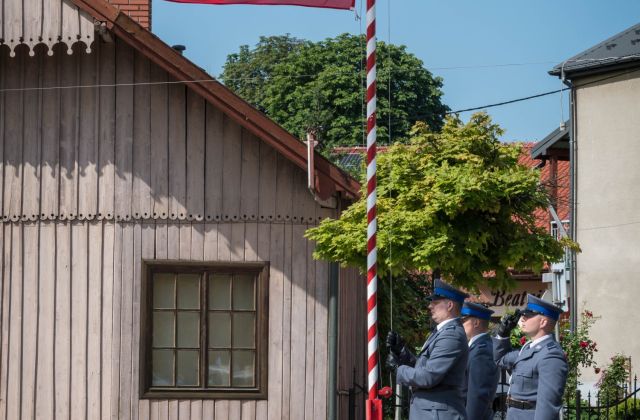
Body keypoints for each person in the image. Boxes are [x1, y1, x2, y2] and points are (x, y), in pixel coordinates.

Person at [386, 279, 469, 420]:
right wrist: (402, 352)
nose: (430, 306)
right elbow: (425, 366)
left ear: (449, 305)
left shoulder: (451, 335)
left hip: (437, 414)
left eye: (435, 303)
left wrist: (398, 369)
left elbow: (428, 376)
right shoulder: (442, 332)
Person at [493, 294, 568, 420]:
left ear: (543, 322)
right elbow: (500, 359)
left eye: (528, 316)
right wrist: (503, 334)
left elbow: (547, 406)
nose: (522, 319)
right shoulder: (527, 349)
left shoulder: (551, 356)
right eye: (523, 315)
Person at [461, 302, 499, 420]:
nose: (459, 325)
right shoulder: (475, 347)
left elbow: (477, 395)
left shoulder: (481, 351)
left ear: (476, 323)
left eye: (463, 321)